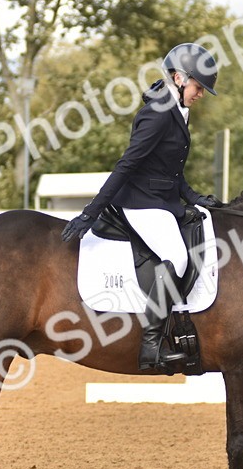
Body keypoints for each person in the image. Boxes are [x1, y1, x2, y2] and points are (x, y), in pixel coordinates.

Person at [61, 43, 221, 371]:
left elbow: (170, 170)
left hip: (161, 201)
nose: (201, 93)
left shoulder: (177, 110)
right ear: (179, 77)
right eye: (198, 86)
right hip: (140, 203)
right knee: (176, 256)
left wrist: (192, 197)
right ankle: (151, 346)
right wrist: (90, 212)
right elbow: (128, 166)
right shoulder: (159, 113)